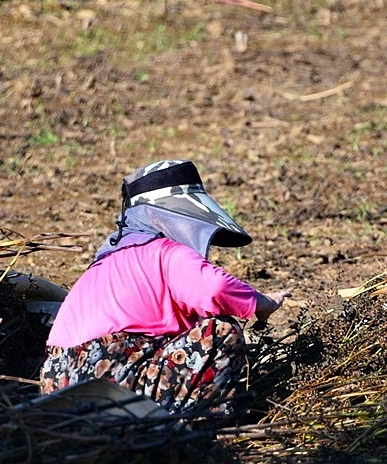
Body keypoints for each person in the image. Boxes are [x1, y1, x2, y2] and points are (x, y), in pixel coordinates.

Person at [39, 159, 290, 418]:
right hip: (109, 381)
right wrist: (261, 303)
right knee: (221, 331)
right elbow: (215, 289)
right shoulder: (165, 253)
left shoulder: (105, 261)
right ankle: (197, 429)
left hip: (56, 386)